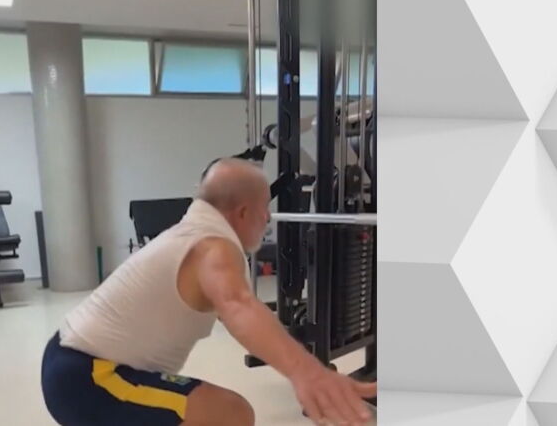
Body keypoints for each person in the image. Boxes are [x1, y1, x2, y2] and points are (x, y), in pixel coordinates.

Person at [41, 158, 376, 426]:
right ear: (244, 212)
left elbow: (242, 318)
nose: (267, 219)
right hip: (90, 376)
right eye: (264, 209)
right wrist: (309, 372)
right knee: (229, 415)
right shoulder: (213, 246)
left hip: (76, 364)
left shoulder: (193, 232)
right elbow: (239, 306)